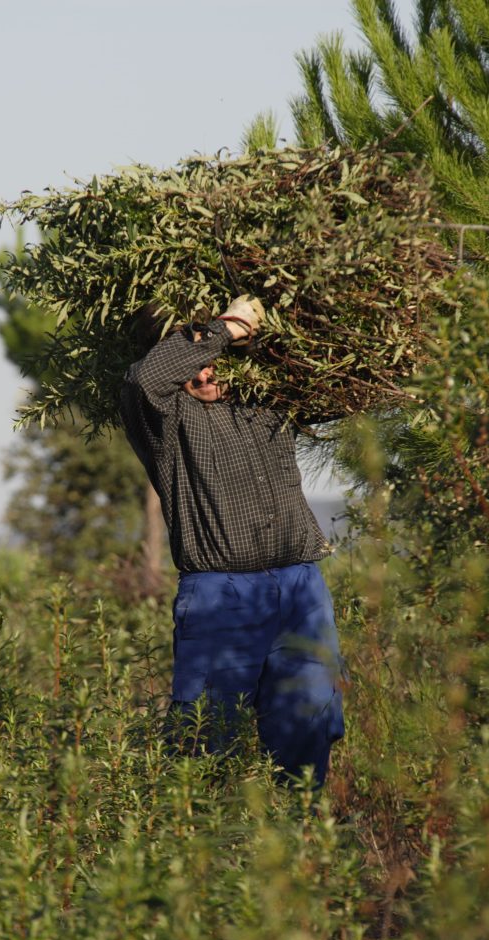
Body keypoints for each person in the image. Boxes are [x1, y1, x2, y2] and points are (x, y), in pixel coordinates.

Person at [120, 297, 344, 786]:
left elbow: (329, 368)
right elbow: (144, 379)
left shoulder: (265, 399)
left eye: (210, 365)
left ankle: (299, 844)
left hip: (301, 588)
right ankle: (202, 849)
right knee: (204, 737)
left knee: (309, 725)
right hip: (220, 598)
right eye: (190, 366)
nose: (202, 377)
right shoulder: (165, 421)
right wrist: (224, 328)